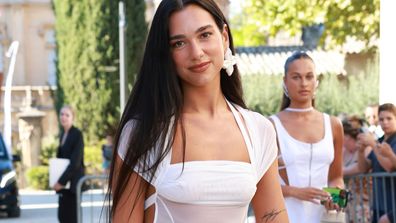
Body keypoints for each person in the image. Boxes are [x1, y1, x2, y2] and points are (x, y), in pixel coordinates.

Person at [107, 0, 289, 222]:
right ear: (166, 54)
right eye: (179, 43)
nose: (196, 52)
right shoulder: (143, 133)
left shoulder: (259, 130)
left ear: (224, 37)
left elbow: (273, 218)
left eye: (204, 35)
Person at [269, 51, 344, 223]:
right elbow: (259, 184)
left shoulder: (333, 124)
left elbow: (336, 177)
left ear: (316, 81)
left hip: (325, 218)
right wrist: (295, 191)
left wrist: (336, 198)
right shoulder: (271, 126)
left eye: (309, 77)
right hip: (285, 215)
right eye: (296, 77)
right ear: (285, 81)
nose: (304, 83)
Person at [357, 103, 396, 223]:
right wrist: (361, 150)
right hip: (379, 203)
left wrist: (373, 144)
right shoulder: (379, 141)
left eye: (389, 118)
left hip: (392, 203)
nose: (385, 122)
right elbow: (363, 168)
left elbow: (390, 167)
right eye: (381, 119)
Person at [53, 105, 85, 223]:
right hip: (63, 185)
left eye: (67, 115)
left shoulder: (77, 134)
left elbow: (75, 162)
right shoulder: (62, 135)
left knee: (72, 218)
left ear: (73, 118)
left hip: (72, 184)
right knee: (62, 217)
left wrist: (60, 182)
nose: (64, 117)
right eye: (62, 114)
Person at [341, 119, 370, 223]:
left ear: (347, 136)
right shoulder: (343, 151)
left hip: (365, 200)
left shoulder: (365, 148)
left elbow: (359, 168)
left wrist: (337, 172)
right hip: (348, 199)